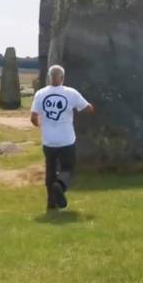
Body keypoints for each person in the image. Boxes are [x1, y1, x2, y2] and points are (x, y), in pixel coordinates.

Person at [30, 65, 94, 211]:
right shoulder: (71, 93)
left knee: (50, 171)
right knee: (68, 168)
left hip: (48, 141)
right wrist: (90, 107)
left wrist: (42, 126)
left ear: (49, 77)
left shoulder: (40, 94)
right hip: (66, 140)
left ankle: (51, 204)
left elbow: (33, 117)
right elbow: (88, 108)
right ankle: (60, 185)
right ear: (63, 78)